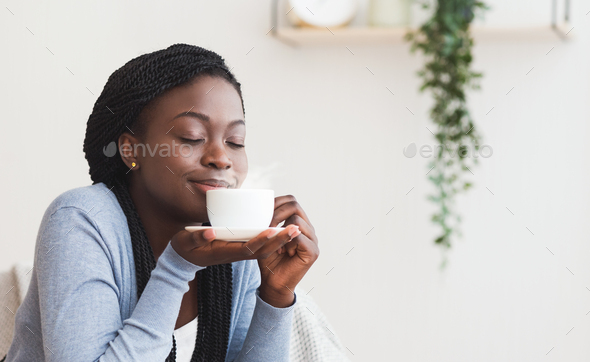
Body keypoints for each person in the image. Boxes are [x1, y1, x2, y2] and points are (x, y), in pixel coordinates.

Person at [4, 43, 320, 362]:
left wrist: (275, 297)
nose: (222, 158)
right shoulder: (79, 219)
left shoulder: (235, 244)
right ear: (131, 150)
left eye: (235, 141)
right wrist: (176, 268)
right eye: (192, 137)